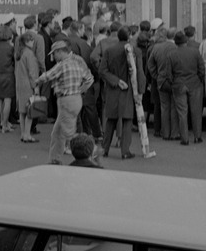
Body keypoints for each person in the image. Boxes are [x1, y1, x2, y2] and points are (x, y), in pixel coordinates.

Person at [36, 39, 94, 165]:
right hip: (76, 99)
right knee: (58, 132)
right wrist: (79, 90)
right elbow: (89, 79)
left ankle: (87, 155)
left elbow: (47, 76)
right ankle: (54, 159)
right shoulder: (78, 62)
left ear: (61, 52)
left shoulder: (62, 64)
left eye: (54, 53)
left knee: (69, 133)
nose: (53, 57)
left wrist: (36, 82)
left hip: (66, 100)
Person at [99, 26, 145, 159]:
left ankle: (105, 149)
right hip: (130, 89)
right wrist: (140, 91)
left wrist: (116, 81)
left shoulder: (109, 51)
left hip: (113, 89)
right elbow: (140, 73)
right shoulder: (136, 51)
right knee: (127, 120)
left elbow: (102, 71)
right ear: (129, 36)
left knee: (110, 120)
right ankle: (125, 151)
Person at [170, 30, 206, 145]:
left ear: (175, 42)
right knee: (196, 111)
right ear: (186, 41)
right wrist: (199, 79)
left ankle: (184, 138)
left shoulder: (171, 54)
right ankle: (197, 136)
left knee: (182, 112)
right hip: (194, 83)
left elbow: (168, 73)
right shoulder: (195, 52)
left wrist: (173, 82)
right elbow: (202, 69)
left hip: (179, 84)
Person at [14, 30, 41, 143]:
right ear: (26, 42)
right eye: (31, 40)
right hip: (28, 85)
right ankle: (27, 135)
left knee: (22, 111)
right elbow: (32, 72)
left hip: (20, 83)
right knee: (30, 111)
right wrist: (35, 86)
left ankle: (22, 133)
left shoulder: (18, 53)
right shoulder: (29, 54)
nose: (33, 41)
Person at [0, 24, 16, 134]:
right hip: (8, 75)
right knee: (7, 100)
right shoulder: (11, 48)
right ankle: (4, 124)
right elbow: (15, 60)